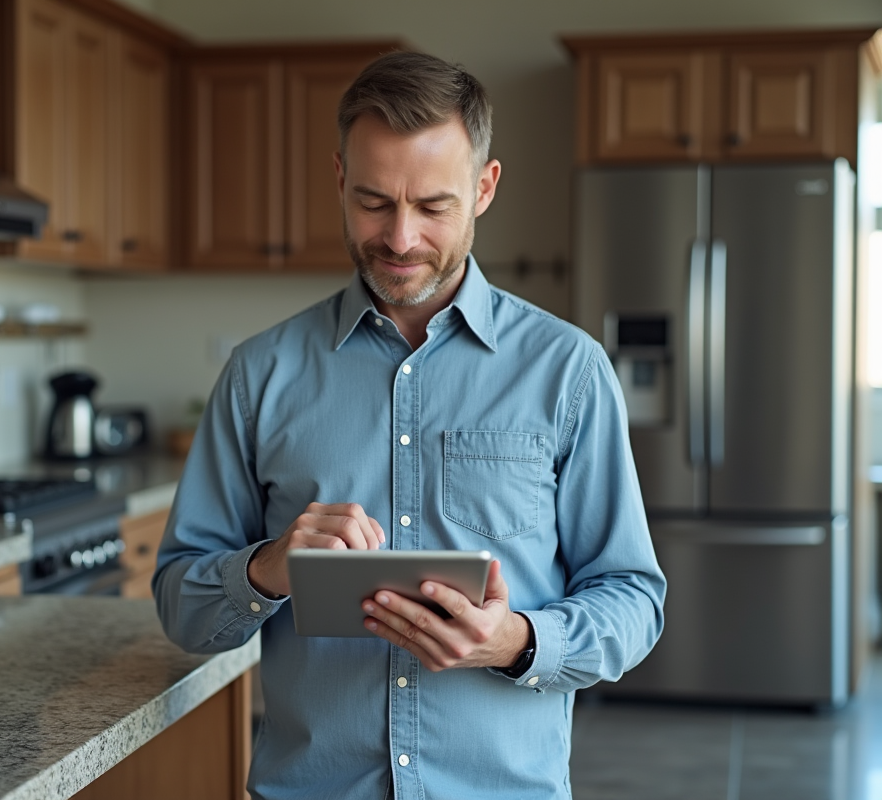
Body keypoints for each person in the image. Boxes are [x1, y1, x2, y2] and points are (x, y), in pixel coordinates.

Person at [153, 51, 666, 800]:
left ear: (484, 188)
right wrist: (267, 568)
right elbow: (181, 604)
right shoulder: (259, 375)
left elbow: (633, 599)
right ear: (339, 179)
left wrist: (515, 642)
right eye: (373, 201)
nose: (399, 238)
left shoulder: (569, 372)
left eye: (432, 206)